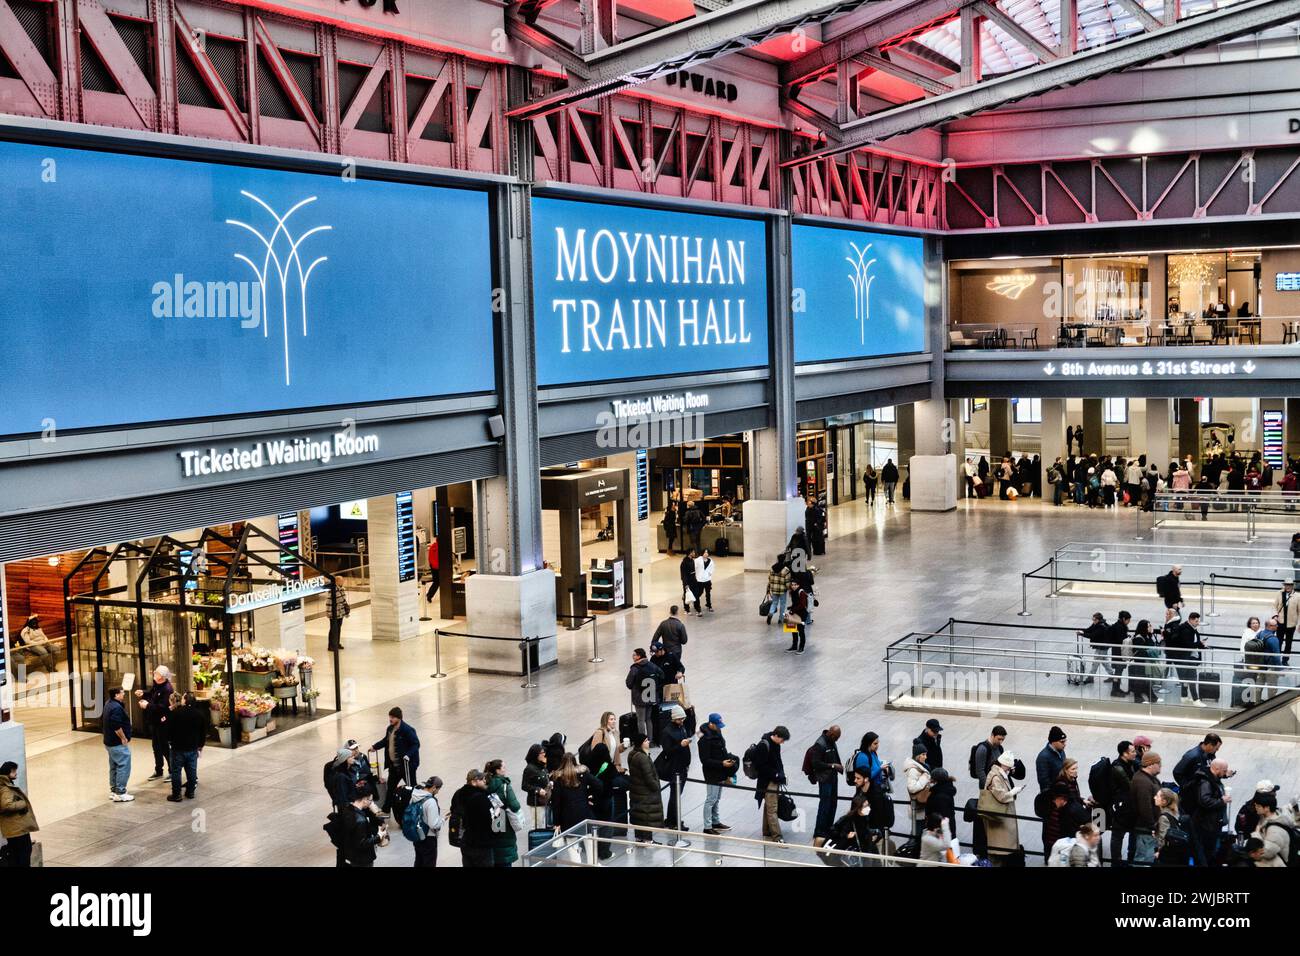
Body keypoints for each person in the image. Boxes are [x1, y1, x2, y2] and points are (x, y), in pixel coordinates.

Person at [979, 753, 1025, 865]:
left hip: (1001, 817)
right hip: (998, 817)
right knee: (998, 851)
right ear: (1003, 764)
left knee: (1001, 850)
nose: (1010, 769)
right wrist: (1015, 791)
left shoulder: (999, 774)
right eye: (1009, 767)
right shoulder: (996, 776)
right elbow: (1002, 796)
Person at [373, 707, 420, 812]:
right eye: (390, 717)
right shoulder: (390, 729)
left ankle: (415, 808)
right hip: (394, 766)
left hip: (406, 766)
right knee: (390, 788)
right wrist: (375, 746)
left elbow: (416, 744)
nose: (390, 719)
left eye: (393, 717)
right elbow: (386, 741)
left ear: (399, 718)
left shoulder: (407, 730)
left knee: (411, 788)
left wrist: (408, 755)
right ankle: (386, 809)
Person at [1187, 758, 1232, 866]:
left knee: (1210, 851)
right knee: (1207, 852)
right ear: (1216, 769)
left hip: (1212, 823)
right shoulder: (1205, 782)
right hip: (1206, 825)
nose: (1225, 773)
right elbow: (1204, 800)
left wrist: (1225, 775)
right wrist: (1222, 800)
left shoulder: (1211, 777)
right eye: (1224, 771)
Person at [698, 713, 735, 835]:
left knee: (717, 799)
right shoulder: (704, 740)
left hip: (721, 771)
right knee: (711, 799)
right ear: (711, 724)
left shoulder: (718, 733)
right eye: (717, 725)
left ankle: (715, 822)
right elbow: (705, 760)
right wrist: (722, 763)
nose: (719, 727)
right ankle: (707, 826)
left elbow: (722, 749)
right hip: (712, 773)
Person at [135, 665, 174, 780]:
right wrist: (143, 693)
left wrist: (147, 705)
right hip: (155, 721)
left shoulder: (167, 689)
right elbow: (152, 693)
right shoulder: (157, 684)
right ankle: (158, 770)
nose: (154, 674)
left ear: (162, 676)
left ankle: (172, 771)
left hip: (163, 721)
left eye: (156, 673)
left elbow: (162, 707)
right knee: (156, 746)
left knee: (164, 747)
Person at [165, 692, 206, 802]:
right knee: (192, 771)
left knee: (176, 771)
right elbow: (203, 732)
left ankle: (176, 794)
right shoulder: (200, 714)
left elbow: (169, 729)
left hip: (177, 747)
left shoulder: (176, 713)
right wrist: (200, 746)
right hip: (192, 747)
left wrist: (170, 741)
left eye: (183, 698)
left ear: (185, 700)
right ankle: (190, 792)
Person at [660, 704, 692, 839]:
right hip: (675, 768)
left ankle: (671, 819)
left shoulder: (681, 727)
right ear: (674, 718)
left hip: (683, 766)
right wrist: (680, 745)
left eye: (683, 719)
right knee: (675, 794)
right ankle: (674, 821)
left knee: (676, 795)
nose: (682, 721)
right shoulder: (667, 732)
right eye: (679, 719)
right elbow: (667, 751)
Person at [753, 726, 789, 843]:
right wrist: (776, 775)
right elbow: (760, 766)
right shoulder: (763, 745)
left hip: (775, 779)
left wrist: (782, 774)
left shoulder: (775, 744)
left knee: (769, 806)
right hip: (767, 781)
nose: (783, 742)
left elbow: (779, 760)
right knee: (772, 808)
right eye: (782, 739)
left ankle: (766, 830)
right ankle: (777, 836)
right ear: (777, 736)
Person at [483, 758, 522, 867]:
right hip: (504, 824)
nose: (506, 769)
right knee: (505, 858)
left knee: (495, 856)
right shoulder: (504, 786)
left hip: (490, 823)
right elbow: (515, 806)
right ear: (498, 770)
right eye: (503, 767)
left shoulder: (485, 785)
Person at [451, 769, 493, 868]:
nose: (485, 781)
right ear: (474, 781)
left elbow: (453, 810)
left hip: (465, 840)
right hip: (481, 842)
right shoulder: (481, 797)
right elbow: (489, 818)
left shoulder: (458, 793)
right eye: (482, 779)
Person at [809, 725, 844, 846]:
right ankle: (819, 832)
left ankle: (828, 829)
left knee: (833, 804)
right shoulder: (820, 744)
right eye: (837, 737)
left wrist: (838, 766)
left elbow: (835, 756)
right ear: (831, 734)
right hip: (825, 780)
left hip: (832, 778)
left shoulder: (831, 741)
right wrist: (833, 766)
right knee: (824, 805)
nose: (837, 740)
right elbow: (816, 763)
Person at [627, 734, 664, 843]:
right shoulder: (643, 758)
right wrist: (656, 786)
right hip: (645, 792)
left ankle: (639, 837)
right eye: (646, 740)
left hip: (636, 790)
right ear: (641, 743)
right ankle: (648, 839)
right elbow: (648, 777)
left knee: (640, 815)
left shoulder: (632, 754)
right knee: (646, 816)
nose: (648, 742)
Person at [1163, 612, 1206, 705]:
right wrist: (1199, 644)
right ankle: (1196, 700)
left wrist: (1201, 645)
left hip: (1185, 657)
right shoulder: (1186, 630)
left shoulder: (1191, 628)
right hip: (1185, 658)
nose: (1198, 623)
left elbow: (1194, 643)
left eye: (1198, 621)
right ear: (1190, 619)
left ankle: (1184, 696)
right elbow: (1188, 645)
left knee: (1185, 679)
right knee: (1192, 678)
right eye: (1196, 621)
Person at [0, 761, 38, 867]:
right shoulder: (5, 789)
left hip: (14, 829)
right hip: (17, 830)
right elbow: (6, 805)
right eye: (14, 771)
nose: (16, 773)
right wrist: (22, 803)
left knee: (17, 856)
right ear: (8, 773)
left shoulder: (4, 785)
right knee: (23, 855)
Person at [1107, 741, 1138, 866]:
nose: (1135, 753)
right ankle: (1116, 862)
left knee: (1132, 832)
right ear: (1124, 754)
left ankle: (1129, 858)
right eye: (1133, 751)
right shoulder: (1118, 768)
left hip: (1128, 805)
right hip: (1120, 807)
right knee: (1117, 835)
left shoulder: (1130, 762)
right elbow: (1131, 785)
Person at [340, 782, 385, 868]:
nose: (371, 803)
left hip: (352, 856)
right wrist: (378, 836)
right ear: (365, 799)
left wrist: (376, 812)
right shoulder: (360, 820)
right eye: (370, 800)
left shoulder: (347, 810)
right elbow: (362, 843)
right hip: (363, 859)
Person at [1130, 752, 1163, 864]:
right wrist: (1152, 826)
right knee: (1144, 858)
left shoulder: (1149, 778)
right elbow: (1145, 808)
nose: (1160, 765)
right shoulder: (1143, 782)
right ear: (1150, 765)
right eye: (1158, 763)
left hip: (1148, 827)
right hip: (1145, 829)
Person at [625, 648, 664, 741]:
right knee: (648, 719)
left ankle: (642, 741)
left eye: (634, 655)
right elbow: (662, 675)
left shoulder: (635, 668)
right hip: (650, 697)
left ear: (639, 656)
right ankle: (650, 740)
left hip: (639, 699)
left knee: (641, 720)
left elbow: (628, 683)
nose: (633, 656)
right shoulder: (652, 665)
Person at [103, 687, 134, 803]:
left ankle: (114, 790)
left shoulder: (108, 704)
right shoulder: (116, 708)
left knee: (114, 766)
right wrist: (123, 737)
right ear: (116, 695)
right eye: (122, 693)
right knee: (123, 765)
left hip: (109, 742)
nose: (124, 694)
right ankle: (120, 793)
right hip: (117, 743)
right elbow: (116, 725)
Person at [1251, 790, 1295, 868]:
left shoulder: (1274, 830)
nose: (1256, 808)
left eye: (1258, 806)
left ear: (1267, 808)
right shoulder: (1270, 816)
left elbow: (1265, 852)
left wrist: (1256, 834)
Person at [408, 776, 443, 867]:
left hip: (416, 835)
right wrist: (442, 821)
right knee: (429, 862)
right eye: (438, 789)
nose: (438, 792)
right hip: (428, 838)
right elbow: (433, 824)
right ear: (434, 788)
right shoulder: (431, 801)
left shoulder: (414, 796)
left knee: (419, 860)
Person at [903, 742, 932, 836]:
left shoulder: (921, 767)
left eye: (926, 754)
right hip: (917, 806)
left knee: (919, 831)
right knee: (916, 832)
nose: (925, 757)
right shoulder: (913, 770)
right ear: (917, 756)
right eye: (923, 754)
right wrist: (925, 778)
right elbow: (912, 788)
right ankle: (912, 849)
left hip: (922, 806)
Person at [971, 725, 1007, 790]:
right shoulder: (983, 749)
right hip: (987, 787)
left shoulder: (1000, 748)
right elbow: (980, 771)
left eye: (1003, 739)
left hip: (998, 785)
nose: (1001, 742)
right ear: (992, 735)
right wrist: (989, 785)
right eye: (999, 739)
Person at [1035, 726, 1067, 792]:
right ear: (1053, 742)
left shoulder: (1061, 751)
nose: (1065, 744)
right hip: (1054, 796)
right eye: (1062, 742)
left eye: (1065, 741)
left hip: (1063, 790)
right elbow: (1044, 783)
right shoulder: (1043, 758)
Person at [1273, 580, 1297, 664]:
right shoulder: (1279, 593)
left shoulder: (1297, 596)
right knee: (1278, 642)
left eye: (1290, 585)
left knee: (1288, 643)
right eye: (1287, 584)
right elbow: (1275, 606)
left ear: (1293, 585)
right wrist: (1275, 615)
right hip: (1280, 622)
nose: (1288, 586)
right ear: (1284, 585)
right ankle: (1277, 660)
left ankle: (1285, 660)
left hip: (1291, 624)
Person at [785, 579, 810, 654]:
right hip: (794, 613)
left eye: (795, 585)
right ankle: (794, 646)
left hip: (802, 614)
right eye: (792, 585)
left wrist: (793, 610)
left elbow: (802, 605)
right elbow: (795, 603)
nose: (793, 586)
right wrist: (791, 608)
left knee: (800, 630)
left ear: (798, 585)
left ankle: (801, 647)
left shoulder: (801, 592)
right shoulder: (792, 592)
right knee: (792, 629)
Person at [765, 557, 791, 626]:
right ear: (784, 560)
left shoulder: (772, 568)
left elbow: (769, 579)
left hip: (774, 589)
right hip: (783, 590)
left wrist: (769, 588)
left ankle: (770, 614)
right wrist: (789, 589)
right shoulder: (786, 570)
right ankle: (781, 619)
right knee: (782, 605)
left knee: (774, 603)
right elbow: (787, 582)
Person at [326, 580, 350, 651]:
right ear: (337, 581)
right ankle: (331, 645)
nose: (343, 582)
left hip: (339, 612)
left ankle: (336, 643)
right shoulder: (334, 589)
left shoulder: (341, 588)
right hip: (333, 613)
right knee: (333, 629)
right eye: (341, 581)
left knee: (338, 628)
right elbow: (341, 599)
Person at [679, 548, 701, 614]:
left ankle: (697, 607)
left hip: (693, 580)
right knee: (687, 595)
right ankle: (686, 609)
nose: (694, 553)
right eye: (693, 552)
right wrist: (685, 584)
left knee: (696, 594)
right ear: (690, 553)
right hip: (687, 581)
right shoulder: (684, 563)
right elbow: (683, 575)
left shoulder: (692, 560)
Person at [424, 538, 440, 604]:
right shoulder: (441, 547)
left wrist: (431, 565)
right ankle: (429, 595)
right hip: (439, 567)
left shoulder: (432, 546)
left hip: (433, 567)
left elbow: (430, 558)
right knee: (439, 582)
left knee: (436, 582)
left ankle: (429, 595)